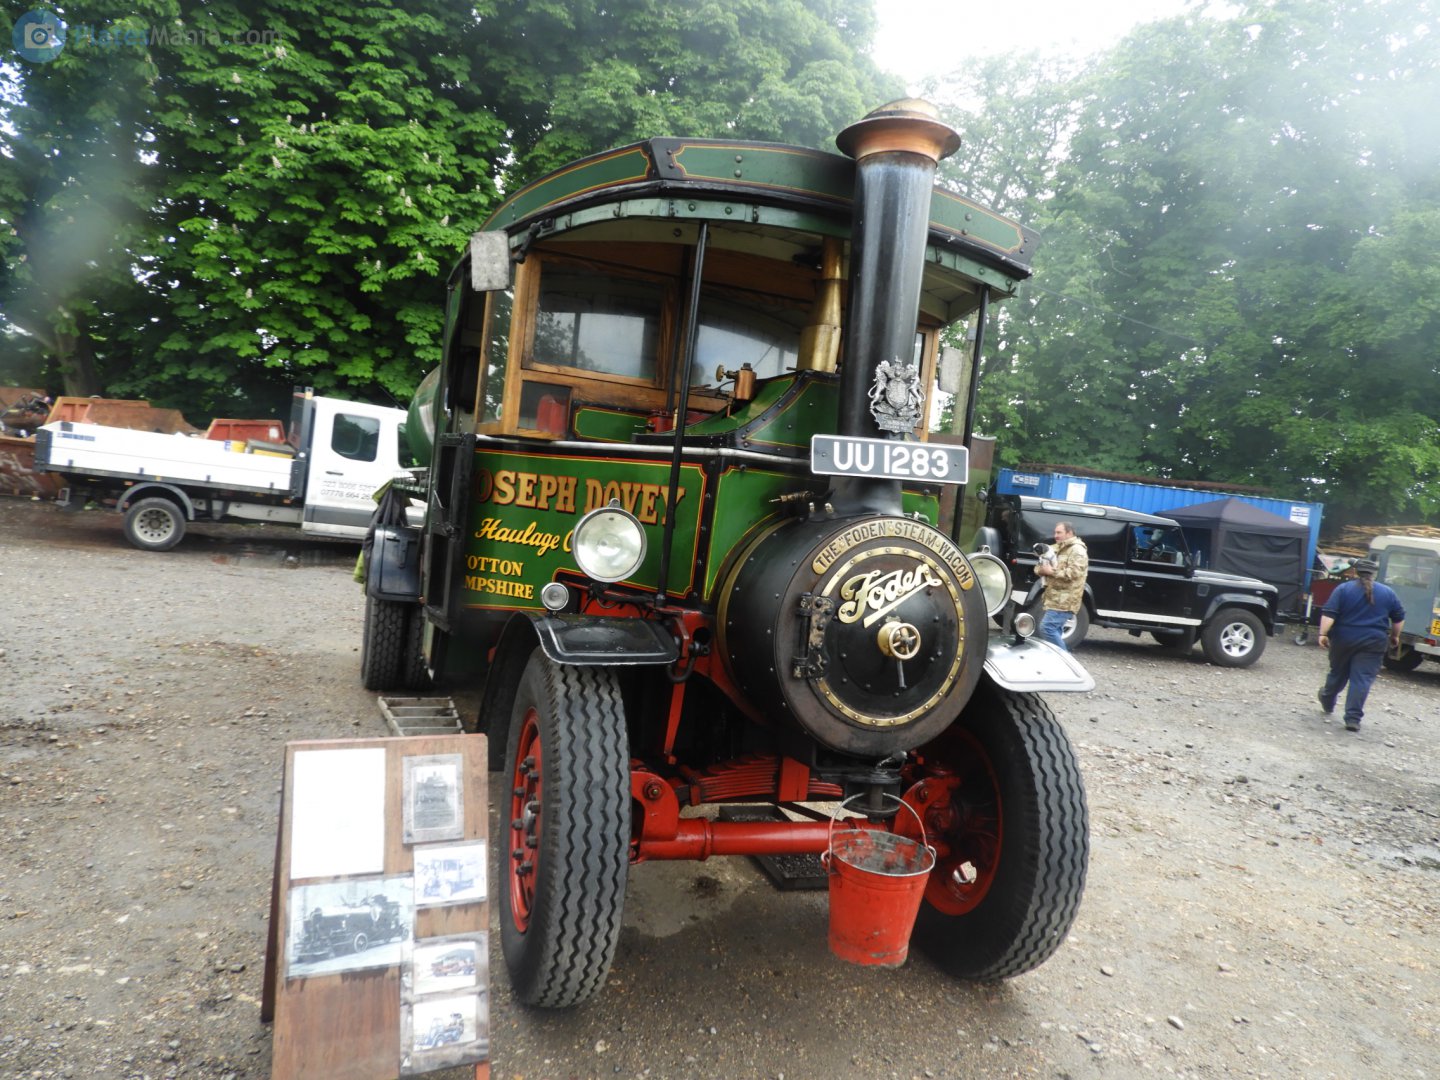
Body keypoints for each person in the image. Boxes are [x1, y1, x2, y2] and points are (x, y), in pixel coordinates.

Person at [1316, 558, 1405, 732]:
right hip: (1373, 642)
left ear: (1355, 572)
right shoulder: (1388, 592)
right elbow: (1398, 618)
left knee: (1337, 673)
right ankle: (1353, 719)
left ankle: (1327, 699)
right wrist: (1395, 636)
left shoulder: (1343, 589)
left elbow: (1329, 613)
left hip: (1344, 639)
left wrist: (1323, 634)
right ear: (1374, 574)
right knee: (1361, 679)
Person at [1035, 521, 1089, 651]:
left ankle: (1065, 659)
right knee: (1054, 630)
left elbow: (1074, 573)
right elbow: (1039, 566)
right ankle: (1055, 660)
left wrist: (1051, 572)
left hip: (1066, 601)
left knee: (1047, 628)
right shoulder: (1055, 548)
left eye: (1059, 532)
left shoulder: (1078, 550)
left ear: (1069, 533)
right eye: (1055, 532)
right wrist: (1041, 570)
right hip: (1053, 598)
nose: (1055, 535)